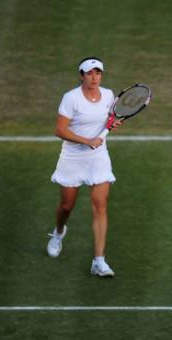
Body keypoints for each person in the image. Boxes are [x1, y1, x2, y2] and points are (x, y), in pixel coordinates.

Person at [46, 56, 122, 277]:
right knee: (66, 206)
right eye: (89, 73)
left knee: (100, 205)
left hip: (98, 157)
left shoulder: (108, 95)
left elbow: (109, 119)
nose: (94, 77)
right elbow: (60, 130)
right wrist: (87, 141)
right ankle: (59, 232)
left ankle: (99, 261)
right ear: (81, 75)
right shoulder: (70, 98)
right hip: (72, 158)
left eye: (98, 73)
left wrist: (111, 124)